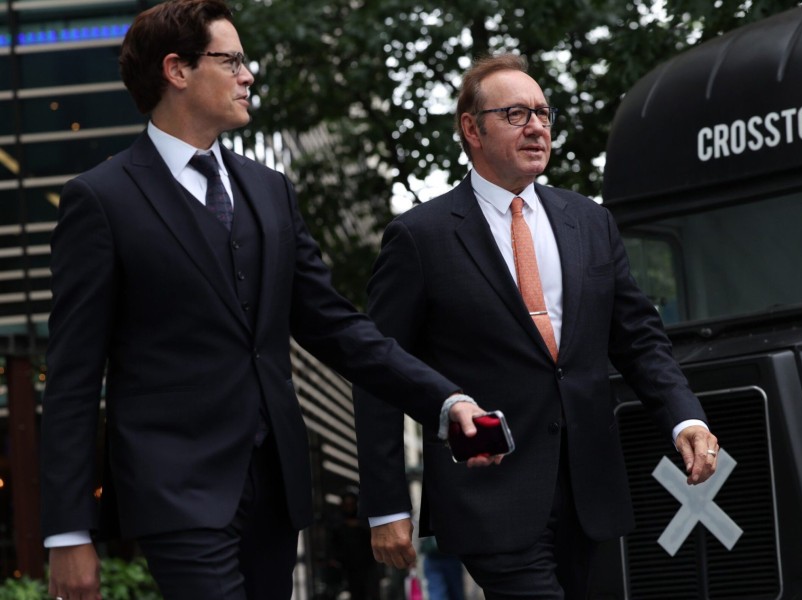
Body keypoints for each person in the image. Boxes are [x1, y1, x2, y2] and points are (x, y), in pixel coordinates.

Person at [39, 2, 496, 599]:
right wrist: (68, 532)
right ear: (176, 70)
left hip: (275, 485)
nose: (247, 75)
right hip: (176, 488)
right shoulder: (99, 200)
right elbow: (73, 377)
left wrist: (442, 397)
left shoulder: (269, 190)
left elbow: (334, 324)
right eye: (230, 60)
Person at [352, 53, 719, 598]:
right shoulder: (420, 238)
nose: (537, 127)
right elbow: (378, 371)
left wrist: (684, 418)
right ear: (471, 129)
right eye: (517, 114)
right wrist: (385, 505)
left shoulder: (590, 222)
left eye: (544, 114)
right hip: (488, 493)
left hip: (590, 489)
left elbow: (639, 338)